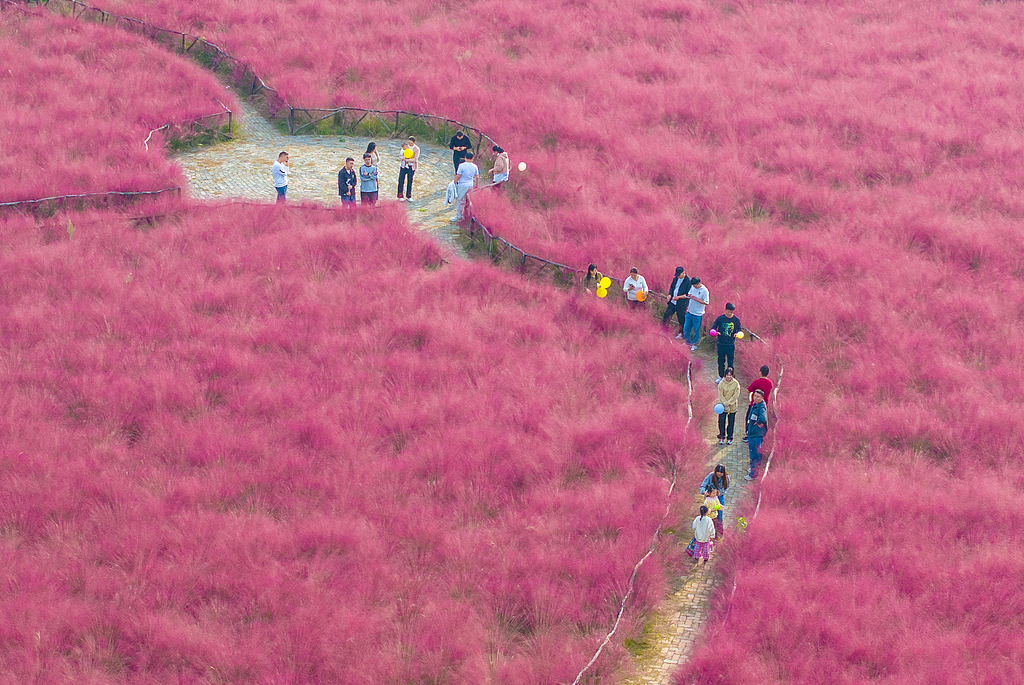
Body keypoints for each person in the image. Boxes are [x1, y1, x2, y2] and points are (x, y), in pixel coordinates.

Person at [710, 303, 742, 382]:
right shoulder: (720, 318)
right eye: (728, 311)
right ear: (725, 310)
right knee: (721, 361)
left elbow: (739, 329)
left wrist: (737, 334)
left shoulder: (736, 320)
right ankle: (721, 376)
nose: (730, 313)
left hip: (730, 344)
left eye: (731, 312)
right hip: (721, 344)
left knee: (730, 362)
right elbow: (713, 328)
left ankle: (731, 377)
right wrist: (715, 332)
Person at [743, 365, 774, 442]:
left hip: (754, 405)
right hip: (765, 404)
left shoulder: (756, 382)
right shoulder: (770, 383)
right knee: (761, 420)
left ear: (760, 372)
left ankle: (748, 434)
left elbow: (748, 390)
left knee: (750, 419)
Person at [745, 389, 768, 480]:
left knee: (755, 454)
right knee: (752, 453)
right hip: (752, 434)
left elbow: (763, 418)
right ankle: (752, 469)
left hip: (757, 435)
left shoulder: (761, 407)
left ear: (762, 398)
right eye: (754, 396)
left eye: (758, 397)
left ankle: (753, 473)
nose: (755, 398)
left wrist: (758, 422)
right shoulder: (755, 405)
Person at [681, 276, 709, 351]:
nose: (694, 287)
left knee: (696, 330)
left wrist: (697, 299)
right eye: (693, 286)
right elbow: (690, 293)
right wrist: (689, 295)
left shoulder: (704, 290)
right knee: (686, 328)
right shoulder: (692, 287)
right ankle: (687, 342)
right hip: (690, 311)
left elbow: (706, 302)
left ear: (699, 283)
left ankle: (694, 344)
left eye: (695, 285)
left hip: (698, 314)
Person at [699, 464, 730, 533]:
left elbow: (726, 488)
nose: (719, 476)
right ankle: (709, 530)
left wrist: (720, 492)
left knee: (720, 515)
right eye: (717, 474)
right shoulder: (711, 476)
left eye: (720, 475)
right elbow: (703, 486)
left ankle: (719, 531)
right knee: (709, 515)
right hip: (710, 499)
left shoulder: (726, 478)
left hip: (720, 498)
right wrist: (704, 492)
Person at [453, 150, 479, 221]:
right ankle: (468, 215)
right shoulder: (475, 166)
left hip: (462, 185)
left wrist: (454, 182)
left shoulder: (461, 165)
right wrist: (476, 185)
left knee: (460, 200)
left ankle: (459, 216)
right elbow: (477, 176)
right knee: (468, 201)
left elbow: (458, 176)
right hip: (470, 184)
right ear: (472, 158)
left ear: (465, 157)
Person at [716, 367, 740, 445]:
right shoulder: (721, 383)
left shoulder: (736, 384)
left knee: (731, 422)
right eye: (727, 375)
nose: (729, 377)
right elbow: (720, 395)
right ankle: (722, 437)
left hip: (732, 407)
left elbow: (736, 395)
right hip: (722, 407)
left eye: (730, 375)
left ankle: (729, 437)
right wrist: (724, 403)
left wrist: (729, 402)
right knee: (721, 422)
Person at [663, 266, 691, 332]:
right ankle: (665, 329)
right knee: (666, 315)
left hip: (681, 304)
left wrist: (679, 297)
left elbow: (688, 294)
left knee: (681, 319)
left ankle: (681, 333)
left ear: (683, 273)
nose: (678, 276)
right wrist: (670, 295)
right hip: (672, 302)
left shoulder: (688, 281)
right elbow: (672, 288)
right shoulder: (675, 279)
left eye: (679, 274)